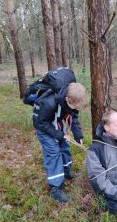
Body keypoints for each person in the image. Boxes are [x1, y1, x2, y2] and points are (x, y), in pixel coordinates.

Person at [32, 68, 88, 203]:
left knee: (65, 148)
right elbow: (40, 123)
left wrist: (78, 135)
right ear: (68, 99)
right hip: (45, 129)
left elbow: (73, 116)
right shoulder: (48, 103)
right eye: (75, 107)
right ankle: (55, 187)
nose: (76, 110)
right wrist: (58, 135)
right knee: (53, 154)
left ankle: (66, 172)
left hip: (58, 125)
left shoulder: (72, 103)